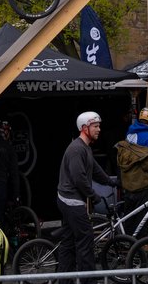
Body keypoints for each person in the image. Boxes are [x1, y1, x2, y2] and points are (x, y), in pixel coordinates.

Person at [56, 111, 117, 275]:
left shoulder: (85, 148)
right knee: (86, 240)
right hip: (71, 201)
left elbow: (95, 170)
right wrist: (93, 196)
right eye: (95, 126)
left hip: (70, 200)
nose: (99, 129)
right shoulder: (76, 149)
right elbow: (79, 179)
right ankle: (88, 279)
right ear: (84, 128)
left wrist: (112, 182)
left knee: (68, 242)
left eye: (99, 126)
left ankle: (65, 279)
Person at [117, 107, 148, 236]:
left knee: (130, 216)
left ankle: (127, 241)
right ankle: (141, 244)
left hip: (128, 185)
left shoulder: (129, 133)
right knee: (142, 219)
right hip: (142, 185)